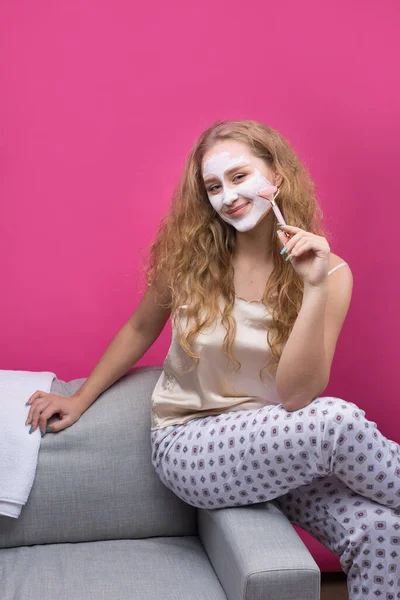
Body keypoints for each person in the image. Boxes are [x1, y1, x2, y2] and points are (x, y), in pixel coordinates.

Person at [25, 120, 400, 600]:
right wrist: (79, 397)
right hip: (191, 445)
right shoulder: (189, 259)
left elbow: (297, 394)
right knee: (336, 420)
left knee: (384, 530)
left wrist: (315, 286)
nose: (228, 196)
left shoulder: (333, 273)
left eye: (240, 177)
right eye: (214, 187)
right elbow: (141, 327)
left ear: (277, 177)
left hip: (275, 445)